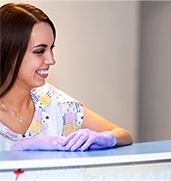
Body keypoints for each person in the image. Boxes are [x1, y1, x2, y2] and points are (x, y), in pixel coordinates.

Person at [0, 2, 133, 151]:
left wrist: (106, 138)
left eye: (51, 49)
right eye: (39, 51)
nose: (51, 60)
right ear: (9, 52)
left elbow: (124, 135)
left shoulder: (55, 103)